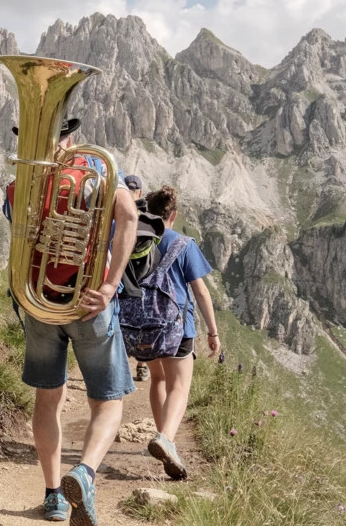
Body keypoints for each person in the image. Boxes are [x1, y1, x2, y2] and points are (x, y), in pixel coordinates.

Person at [4, 118, 139, 524]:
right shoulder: (94, 174)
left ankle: (52, 496)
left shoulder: (17, 186)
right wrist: (111, 285)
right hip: (89, 303)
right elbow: (130, 215)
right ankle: (84, 472)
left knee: (48, 399)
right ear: (71, 137)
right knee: (109, 402)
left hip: (41, 302)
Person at [133, 185, 220, 481]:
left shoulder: (139, 239)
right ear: (174, 214)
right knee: (179, 386)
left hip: (142, 325)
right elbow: (201, 291)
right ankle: (166, 438)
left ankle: (164, 438)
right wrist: (213, 331)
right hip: (176, 327)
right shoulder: (183, 243)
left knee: (157, 379)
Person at [123, 175, 152, 383]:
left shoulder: (117, 213)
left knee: (121, 322)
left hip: (122, 280)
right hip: (143, 281)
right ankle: (142, 366)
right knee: (143, 324)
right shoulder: (148, 219)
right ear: (140, 192)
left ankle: (121, 366)